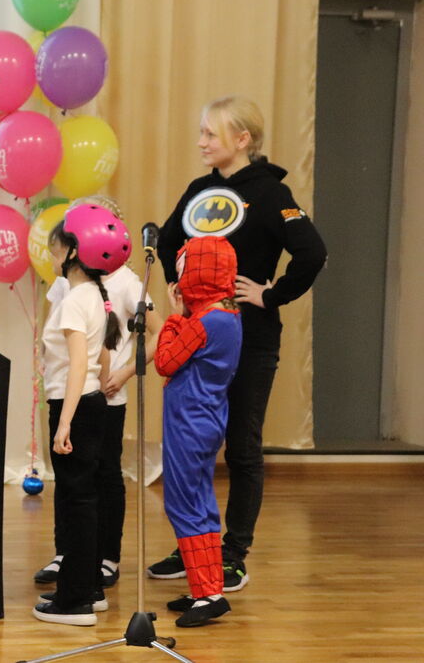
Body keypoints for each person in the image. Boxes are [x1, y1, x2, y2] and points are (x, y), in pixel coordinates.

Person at [149, 95, 326, 590]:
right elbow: (168, 241)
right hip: (198, 336)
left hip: (250, 338)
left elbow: (312, 252)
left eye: (211, 133)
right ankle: (196, 545)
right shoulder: (200, 190)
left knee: (242, 448)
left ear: (242, 139)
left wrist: (271, 295)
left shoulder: (271, 193)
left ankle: (233, 553)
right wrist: (177, 285)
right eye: (202, 132)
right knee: (195, 444)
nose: (201, 142)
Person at [33, 199, 164, 591]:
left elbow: (160, 331)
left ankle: (106, 556)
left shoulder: (126, 282)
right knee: (69, 478)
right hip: (71, 391)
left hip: (103, 396)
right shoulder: (67, 281)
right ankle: (68, 554)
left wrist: (122, 374)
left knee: (104, 475)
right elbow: (65, 332)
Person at [32, 206, 128, 627]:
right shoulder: (95, 296)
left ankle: (74, 602)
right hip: (91, 403)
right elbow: (102, 355)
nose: (52, 257)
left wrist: (66, 421)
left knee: (76, 503)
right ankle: (87, 588)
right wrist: (99, 388)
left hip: (73, 405)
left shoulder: (75, 300)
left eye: (55, 249)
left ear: (73, 252)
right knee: (85, 498)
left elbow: (77, 365)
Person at [155, 236, 242, 627]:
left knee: (185, 505)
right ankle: (206, 587)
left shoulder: (205, 322)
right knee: (201, 503)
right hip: (205, 419)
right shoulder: (228, 317)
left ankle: (209, 595)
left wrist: (175, 317)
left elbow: (165, 361)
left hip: (188, 423)